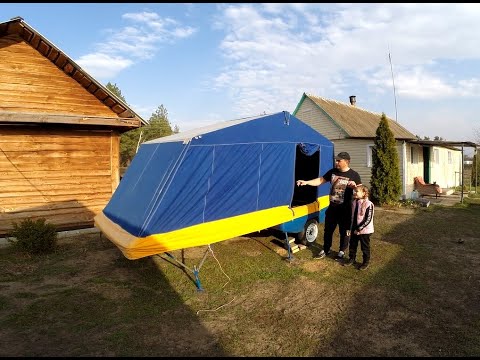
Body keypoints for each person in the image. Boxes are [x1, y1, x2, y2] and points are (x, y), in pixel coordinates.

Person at [296, 151, 361, 260]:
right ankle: (326, 249)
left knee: (344, 231)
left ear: (346, 161)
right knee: (328, 230)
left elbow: (360, 192)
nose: (336, 162)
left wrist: (354, 187)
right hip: (332, 208)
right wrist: (306, 182)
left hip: (346, 209)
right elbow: (320, 180)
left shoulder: (354, 175)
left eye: (339, 160)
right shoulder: (333, 172)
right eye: (336, 160)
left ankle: (341, 251)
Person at [343, 185, 374, 270]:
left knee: (365, 247)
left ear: (364, 193)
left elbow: (368, 219)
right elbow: (352, 216)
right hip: (354, 228)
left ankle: (365, 262)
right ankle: (352, 258)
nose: (355, 193)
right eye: (354, 191)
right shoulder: (354, 202)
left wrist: (359, 229)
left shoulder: (369, 204)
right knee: (352, 244)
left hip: (365, 230)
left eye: (357, 191)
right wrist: (351, 228)